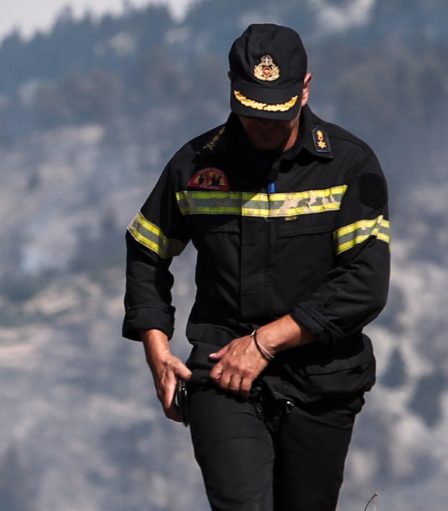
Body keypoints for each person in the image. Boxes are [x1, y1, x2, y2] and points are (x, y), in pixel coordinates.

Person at [123, 23, 390, 511]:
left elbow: (366, 285)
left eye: (278, 113)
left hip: (322, 382)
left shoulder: (350, 165)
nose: (264, 127)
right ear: (232, 88)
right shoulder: (194, 165)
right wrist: (156, 349)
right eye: (252, 113)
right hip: (224, 376)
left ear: (305, 88)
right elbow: (146, 250)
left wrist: (266, 342)